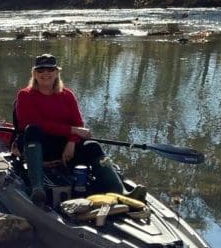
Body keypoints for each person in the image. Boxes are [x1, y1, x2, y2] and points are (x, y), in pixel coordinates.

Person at [14, 53, 141, 206]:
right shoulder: (25, 95)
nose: (45, 73)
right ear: (34, 73)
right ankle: (37, 189)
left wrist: (72, 141)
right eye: (40, 70)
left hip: (64, 149)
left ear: (57, 72)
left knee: (92, 146)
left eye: (50, 69)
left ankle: (120, 191)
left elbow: (78, 123)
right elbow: (32, 123)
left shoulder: (67, 95)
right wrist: (71, 131)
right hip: (35, 145)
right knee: (33, 129)